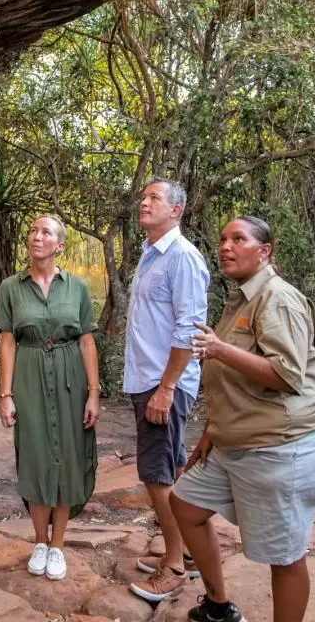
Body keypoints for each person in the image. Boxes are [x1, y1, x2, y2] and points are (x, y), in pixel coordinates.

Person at [170, 216, 315, 622]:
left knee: (285, 555)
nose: (226, 246)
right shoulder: (242, 299)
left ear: (264, 252)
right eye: (223, 238)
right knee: (185, 503)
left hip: (280, 446)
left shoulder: (277, 299)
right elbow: (233, 380)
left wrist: (220, 349)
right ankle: (219, 606)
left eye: (238, 239)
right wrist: (211, 430)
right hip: (234, 441)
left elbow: (287, 375)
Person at [0, 215, 101, 582]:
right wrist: (6, 395)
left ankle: (58, 545)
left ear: (60, 246)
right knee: (37, 456)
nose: (36, 236)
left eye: (46, 232)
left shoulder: (77, 288)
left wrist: (93, 393)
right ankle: (39, 541)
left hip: (71, 374)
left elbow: (87, 340)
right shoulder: (11, 287)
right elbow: (7, 342)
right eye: (32, 231)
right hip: (28, 375)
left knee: (68, 458)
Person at [125, 178, 210, 603]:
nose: (144, 201)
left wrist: (166, 388)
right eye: (144, 196)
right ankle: (192, 554)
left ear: (175, 210)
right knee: (173, 469)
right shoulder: (150, 254)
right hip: (149, 379)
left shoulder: (183, 258)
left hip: (164, 384)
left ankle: (174, 565)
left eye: (154, 198)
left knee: (156, 475)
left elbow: (189, 331)